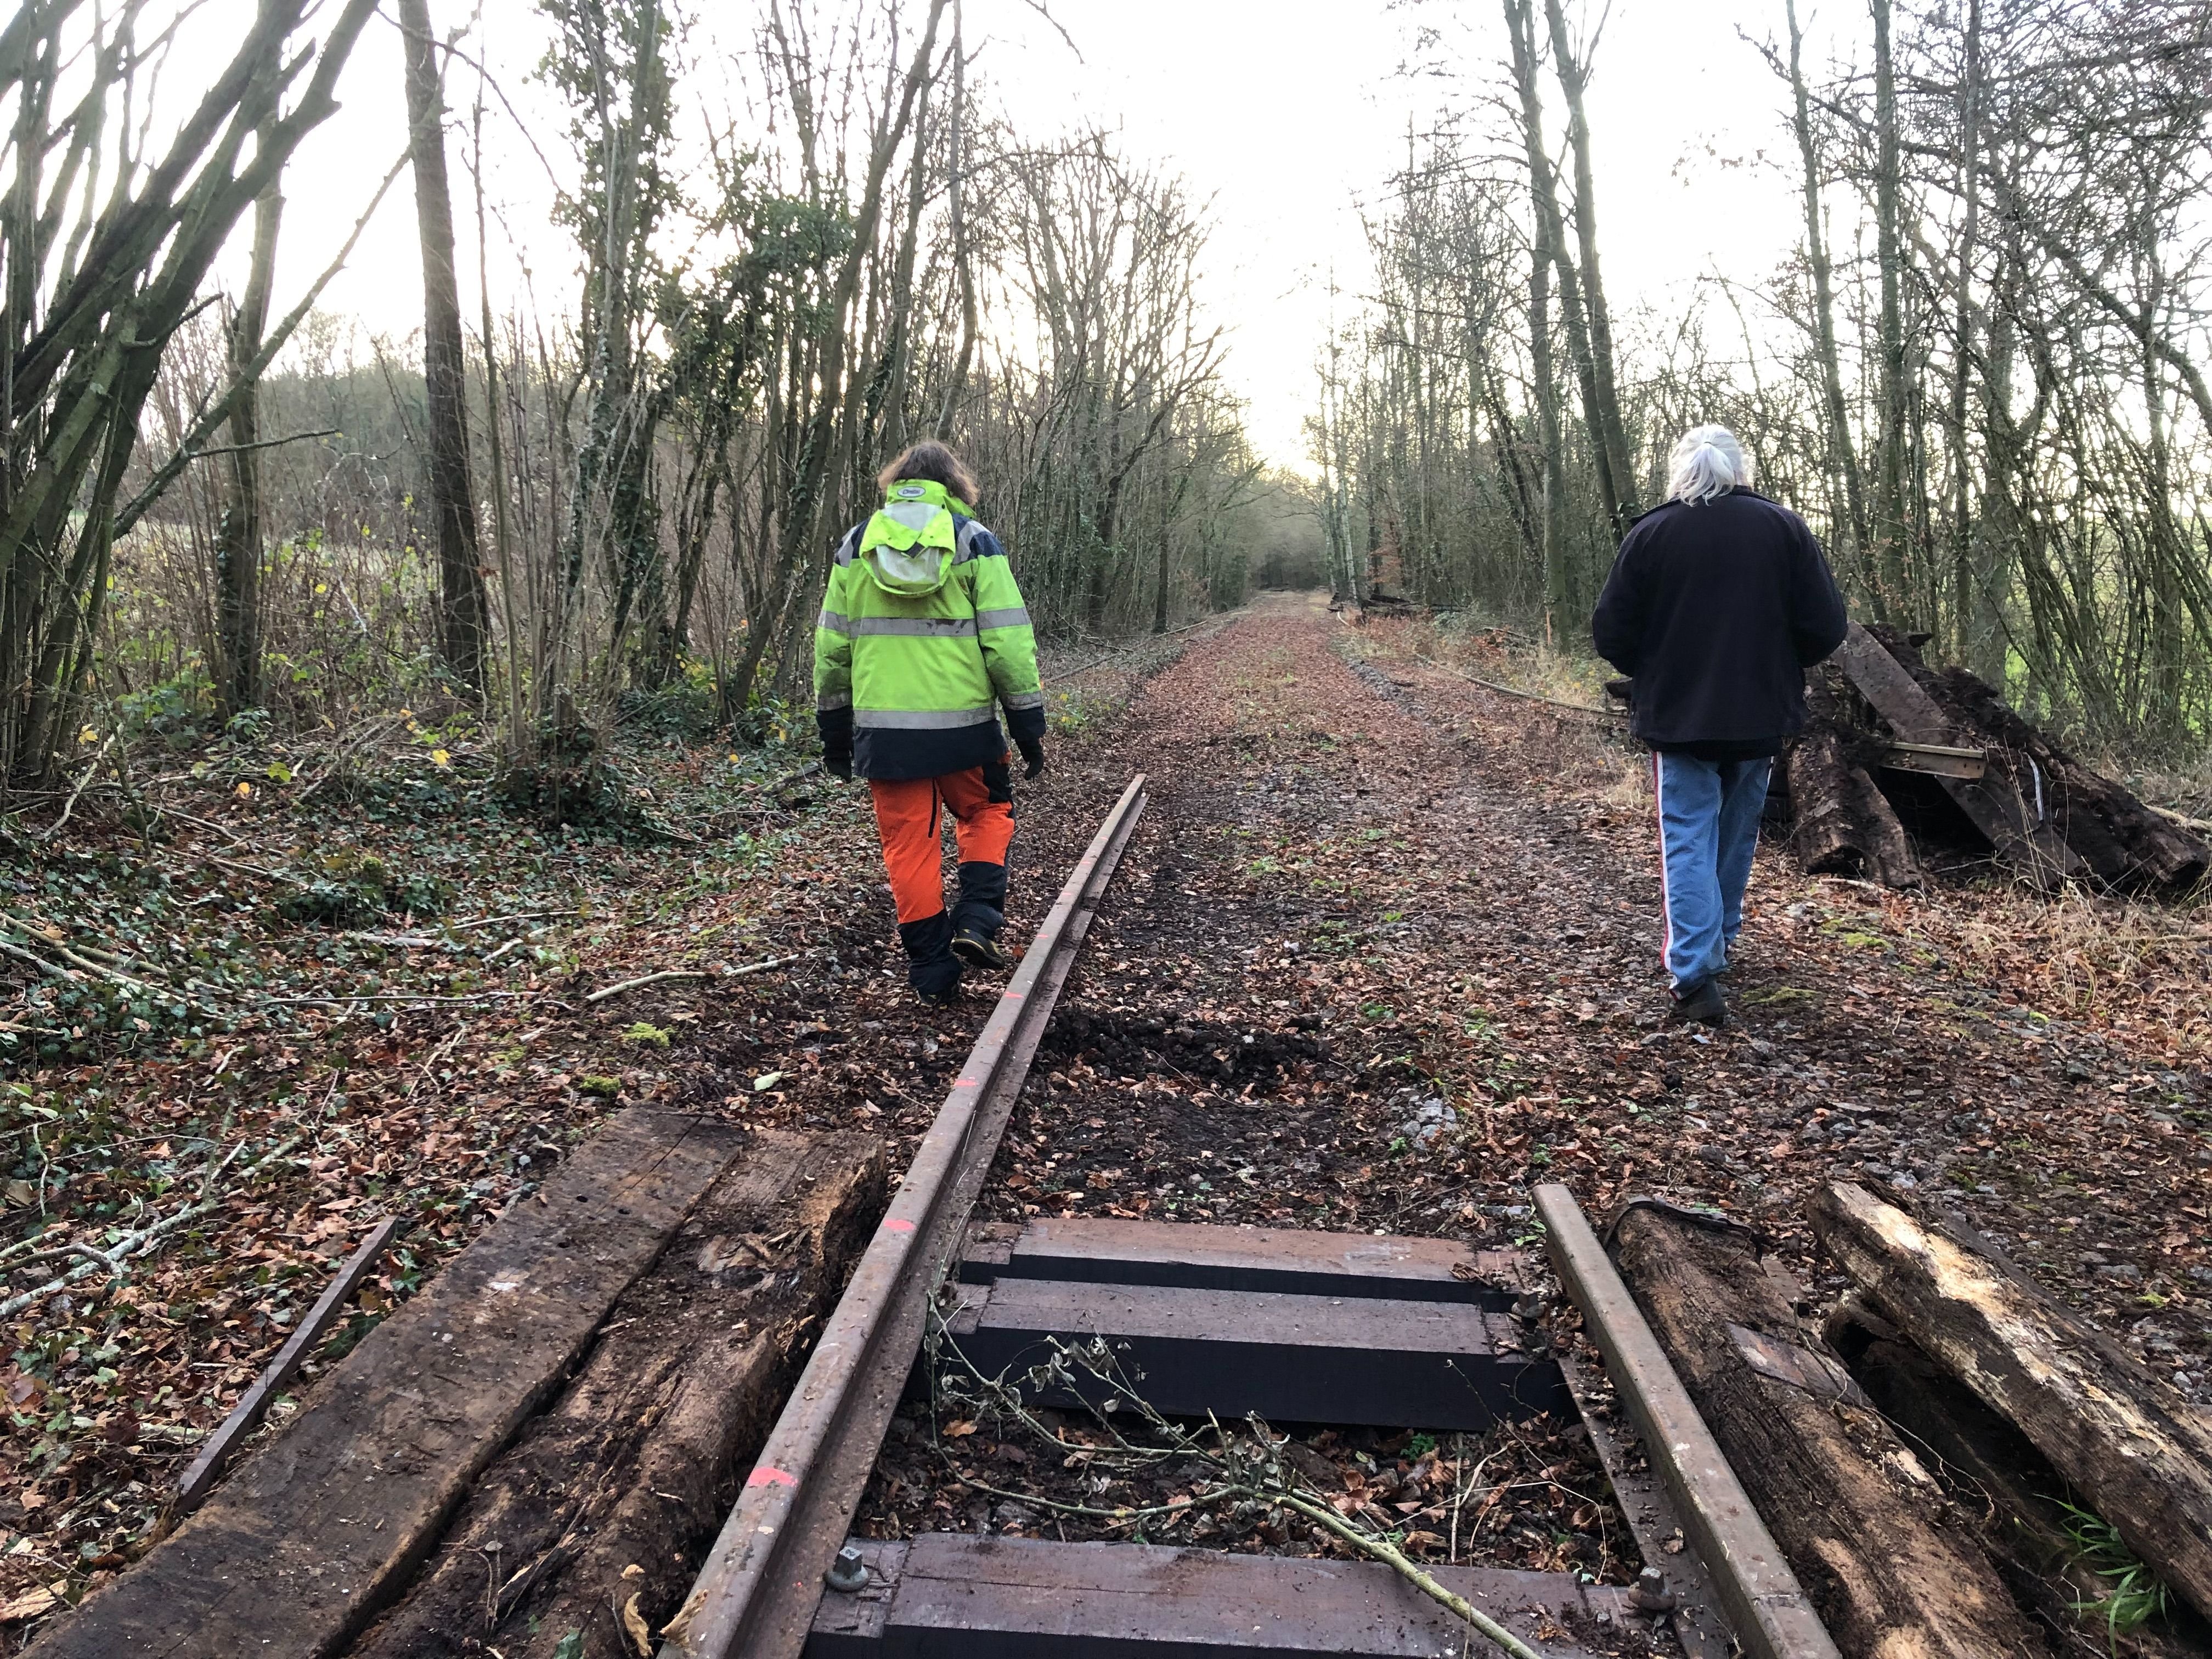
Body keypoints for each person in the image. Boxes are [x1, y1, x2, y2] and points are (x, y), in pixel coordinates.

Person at [1591, 425, 1847, 1025]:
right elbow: (1826, 624)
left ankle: (1694, 974)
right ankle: (1719, 943)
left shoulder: (1651, 533)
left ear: (1679, 470)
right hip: (1760, 713)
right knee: (1736, 833)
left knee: (1688, 834)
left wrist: (1653, 672)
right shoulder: (1785, 529)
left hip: (1678, 718)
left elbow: (1611, 632)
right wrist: (1780, 666)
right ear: (1742, 469)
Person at [814, 441, 1047, 1004]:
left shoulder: (856, 546)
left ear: (897, 483)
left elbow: (832, 649)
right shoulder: (974, 541)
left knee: (908, 846)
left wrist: (835, 734)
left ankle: (931, 970)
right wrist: (1027, 725)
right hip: (965, 731)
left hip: (887, 738)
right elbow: (1008, 642)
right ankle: (977, 920)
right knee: (988, 810)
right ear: (953, 486)